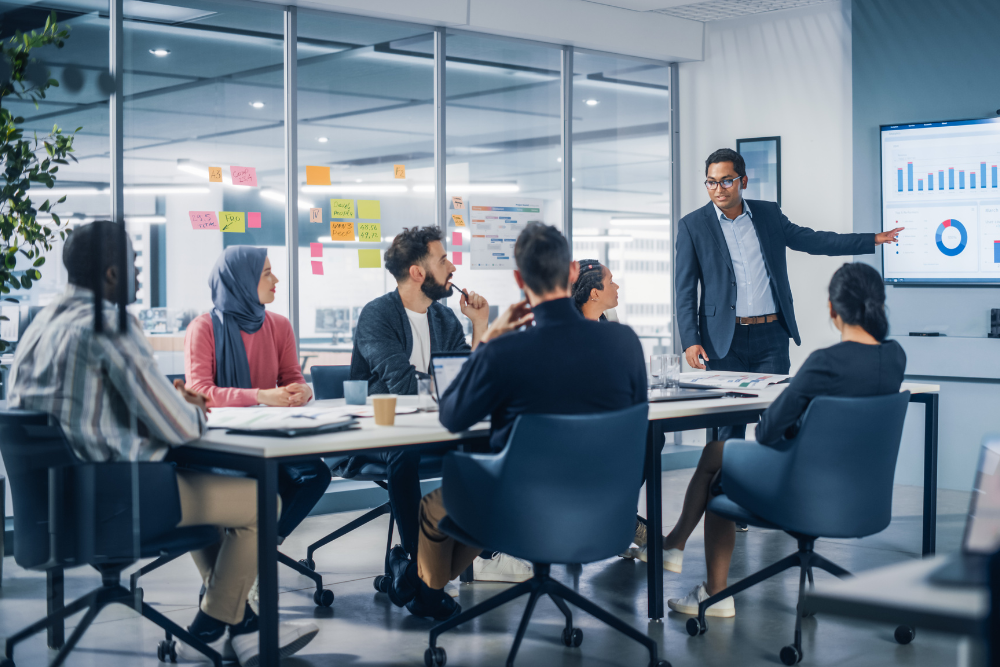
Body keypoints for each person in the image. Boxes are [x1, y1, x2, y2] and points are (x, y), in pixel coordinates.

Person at [7, 222, 318, 665]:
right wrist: (188, 404)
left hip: (51, 508)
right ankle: (218, 618)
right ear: (111, 273)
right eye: (134, 263)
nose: (140, 273)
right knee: (259, 502)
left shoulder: (39, 327)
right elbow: (179, 427)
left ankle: (242, 622)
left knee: (200, 478)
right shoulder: (109, 324)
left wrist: (174, 402)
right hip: (116, 500)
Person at [382, 222, 648, 620]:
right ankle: (415, 585)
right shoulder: (625, 342)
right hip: (605, 508)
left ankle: (422, 588)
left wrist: (488, 339)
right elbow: (635, 425)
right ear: (572, 272)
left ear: (520, 278)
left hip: (519, 513)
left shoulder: (507, 351)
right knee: (478, 495)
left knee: (436, 508)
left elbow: (453, 415)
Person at [662, 262, 906, 619]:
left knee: (718, 478)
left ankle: (713, 592)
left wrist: (797, 415)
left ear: (832, 309)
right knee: (718, 453)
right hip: (861, 495)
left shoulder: (826, 362)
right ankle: (675, 547)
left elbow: (766, 432)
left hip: (803, 491)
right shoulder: (895, 356)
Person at [347, 226, 529, 592]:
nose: (453, 268)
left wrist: (479, 326)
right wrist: (451, 389)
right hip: (382, 433)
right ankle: (420, 568)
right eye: (443, 259)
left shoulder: (444, 319)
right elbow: (403, 385)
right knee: (404, 453)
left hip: (436, 427)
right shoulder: (377, 316)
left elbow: (472, 382)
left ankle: (484, 552)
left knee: (487, 445)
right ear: (418, 272)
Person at [675, 148, 902, 429]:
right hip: (722, 340)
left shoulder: (768, 214)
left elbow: (814, 241)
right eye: (711, 181)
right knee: (729, 427)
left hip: (771, 337)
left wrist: (871, 240)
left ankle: (775, 472)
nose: (718, 189)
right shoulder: (692, 225)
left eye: (726, 180)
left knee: (779, 420)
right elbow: (684, 289)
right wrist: (689, 339)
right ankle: (728, 474)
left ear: (743, 181)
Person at [185, 246, 332, 579]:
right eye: (266, 273)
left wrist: (304, 390)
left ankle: (254, 553)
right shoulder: (203, 328)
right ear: (241, 281)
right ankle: (240, 570)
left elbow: (293, 378)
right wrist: (261, 396)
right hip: (221, 445)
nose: (275, 279)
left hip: (271, 438)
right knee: (246, 486)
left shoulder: (279, 326)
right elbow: (201, 393)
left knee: (315, 475)